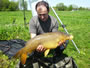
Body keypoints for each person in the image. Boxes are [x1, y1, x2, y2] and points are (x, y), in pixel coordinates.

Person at [19, 1, 68, 68]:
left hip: (50, 41)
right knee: (34, 54)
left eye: (44, 14)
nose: (42, 17)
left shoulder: (54, 21)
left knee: (65, 41)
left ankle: (57, 54)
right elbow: (33, 38)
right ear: (36, 12)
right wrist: (37, 47)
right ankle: (27, 54)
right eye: (39, 14)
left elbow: (55, 36)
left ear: (48, 11)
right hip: (39, 43)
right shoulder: (33, 21)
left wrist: (59, 43)